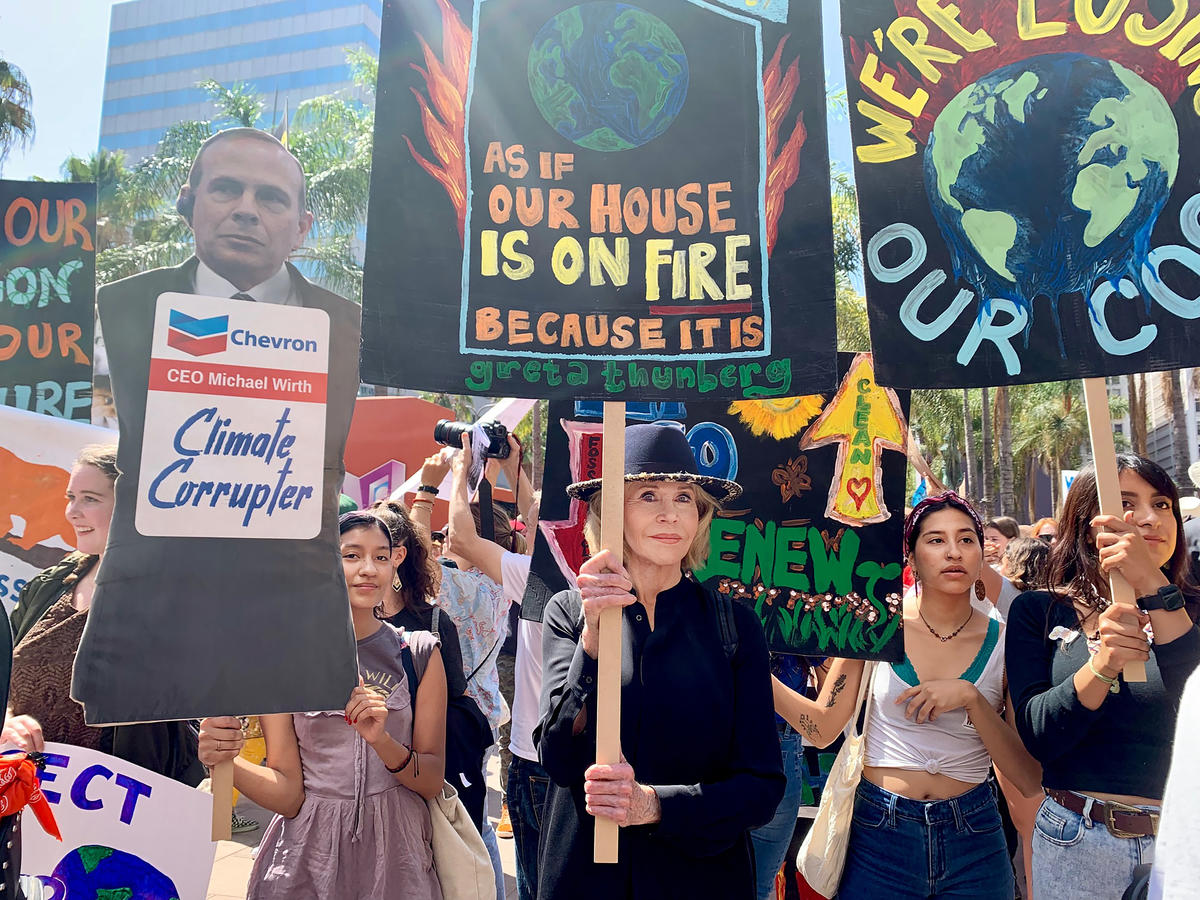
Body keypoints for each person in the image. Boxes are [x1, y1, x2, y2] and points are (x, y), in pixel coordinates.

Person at [73, 127, 363, 724]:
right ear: (191, 203)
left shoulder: (352, 328)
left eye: (271, 198)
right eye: (227, 189)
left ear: (302, 225)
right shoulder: (127, 307)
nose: (246, 210)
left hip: (295, 623)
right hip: (150, 624)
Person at [536, 423, 784, 899]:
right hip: (587, 876)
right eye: (648, 495)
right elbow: (558, 758)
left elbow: (762, 786)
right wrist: (592, 639)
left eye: (685, 498)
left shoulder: (734, 626)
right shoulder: (569, 613)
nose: (671, 514)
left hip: (700, 879)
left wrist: (655, 806)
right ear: (610, 513)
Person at [773, 492, 1041, 900]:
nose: (953, 551)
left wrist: (971, 698)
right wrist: (752, 669)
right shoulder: (874, 626)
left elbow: (1025, 776)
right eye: (936, 540)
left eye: (966, 539)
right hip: (880, 832)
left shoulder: (1007, 642)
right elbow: (821, 727)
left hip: (975, 834)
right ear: (911, 557)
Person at [198, 511, 447, 899]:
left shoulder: (418, 654)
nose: (368, 569)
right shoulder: (283, 659)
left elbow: (431, 781)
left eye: (381, 557)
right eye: (351, 555)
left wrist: (382, 740)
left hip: (397, 856)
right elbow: (288, 794)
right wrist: (224, 761)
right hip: (308, 860)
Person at [1006, 456, 1200, 900]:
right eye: (1127, 502)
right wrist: (1102, 665)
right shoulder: (1040, 611)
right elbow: (1039, 737)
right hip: (1078, 842)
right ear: (1084, 522)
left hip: (1185, 845)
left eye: (1163, 504)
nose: (1149, 518)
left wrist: (1153, 585)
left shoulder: (1193, 609)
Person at [6, 445, 203, 784]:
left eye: (90, 499)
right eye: (71, 497)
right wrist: (6, 720)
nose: (71, 512)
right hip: (21, 797)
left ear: (132, 507)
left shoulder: (176, 599)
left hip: (116, 812)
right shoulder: (49, 585)